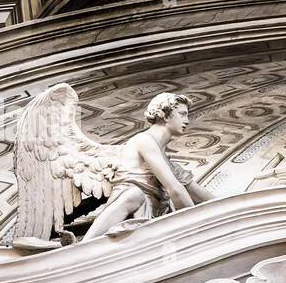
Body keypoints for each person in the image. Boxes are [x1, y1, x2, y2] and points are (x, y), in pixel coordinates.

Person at [83, 93, 214, 240]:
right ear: (165, 115)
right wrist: (199, 226)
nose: (187, 121)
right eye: (182, 114)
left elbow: (206, 198)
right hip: (133, 209)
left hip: (153, 214)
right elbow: (175, 189)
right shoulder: (144, 141)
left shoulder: (165, 159)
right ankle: (84, 245)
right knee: (135, 194)